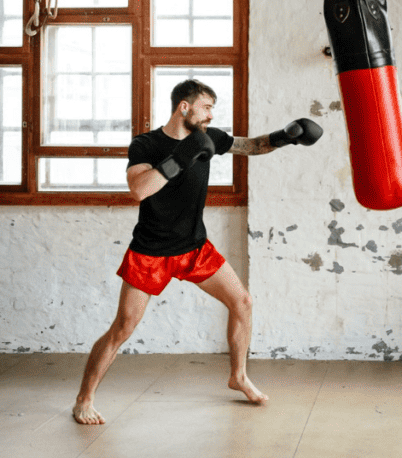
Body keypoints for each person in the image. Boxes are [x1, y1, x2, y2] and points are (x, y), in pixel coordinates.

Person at [72, 79, 323, 425]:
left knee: (243, 302)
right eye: (206, 107)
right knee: (123, 328)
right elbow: (139, 190)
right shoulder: (146, 144)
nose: (211, 115)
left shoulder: (210, 136)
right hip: (151, 252)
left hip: (195, 247)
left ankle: (238, 376)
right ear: (184, 107)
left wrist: (285, 136)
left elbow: (251, 146)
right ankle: (84, 399)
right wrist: (181, 157)